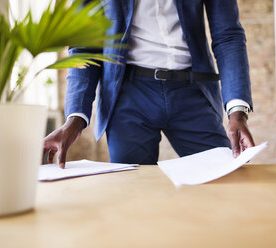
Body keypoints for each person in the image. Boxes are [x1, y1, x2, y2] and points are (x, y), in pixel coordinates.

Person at [43, 0, 255, 168]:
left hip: (192, 92)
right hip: (128, 97)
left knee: (225, 180)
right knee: (133, 194)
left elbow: (228, 35)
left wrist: (237, 111)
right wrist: (75, 118)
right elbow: (84, 46)